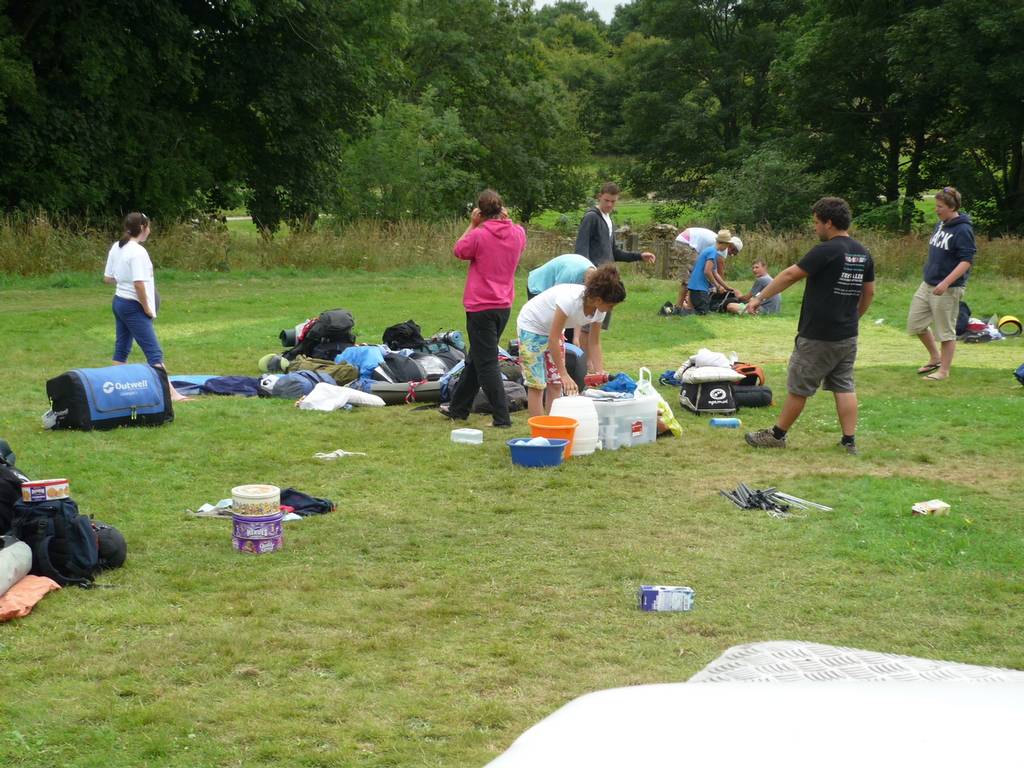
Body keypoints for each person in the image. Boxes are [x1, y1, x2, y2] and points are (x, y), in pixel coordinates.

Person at [744, 197, 875, 455]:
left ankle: (777, 435)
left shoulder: (825, 250)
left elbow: (791, 275)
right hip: (847, 335)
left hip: (818, 335)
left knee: (798, 387)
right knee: (844, 385)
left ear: (829, 222)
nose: (815, 228)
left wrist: (759, 297)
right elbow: (868, 293)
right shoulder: (863, 253)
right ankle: (849, 441)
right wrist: (853, 318)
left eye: (816, 222)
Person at [443, 189, 526, 428]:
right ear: (502, 209)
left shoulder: (478, 235)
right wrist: (505, 220)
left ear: (480, 211)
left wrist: (472, 224)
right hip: (503, 306)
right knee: (477, 357)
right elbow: (517, 241)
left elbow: (459, 250)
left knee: (487, 362)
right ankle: (459, 409)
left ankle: (502, 418)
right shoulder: (518, 233)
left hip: (480, 306)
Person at [516, 265, 626, 417]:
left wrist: (599, 371)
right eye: (611, 305)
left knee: (555, 383)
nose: (611, 309)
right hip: (532, 326)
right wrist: (564, 373)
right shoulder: (570, 300)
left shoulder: (599, 310)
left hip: (553, 332)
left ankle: (554, 426)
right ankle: (540, 433)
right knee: (537, 384)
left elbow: (594, 342)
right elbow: (553, 339)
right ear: (599, 299)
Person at [103, 212, 190, 402]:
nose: (149, 231)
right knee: (154, 352)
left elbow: (108, 278)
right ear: (142, 228)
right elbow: (139, 284)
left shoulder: (117, 247)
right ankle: (172, 394)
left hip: (119, 302)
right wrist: (147, 308)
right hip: (134, 306)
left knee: (122, 348)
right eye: (148, 227)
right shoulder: (137, 251)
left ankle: (116, 388)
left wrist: (123, 277)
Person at [572, 182, 654, 349]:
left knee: (596, 326)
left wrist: (639, 256)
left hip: (606, 280)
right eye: (606, 200)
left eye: (613, 201)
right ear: (599, 197)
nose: (609, 204)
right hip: (592, 280)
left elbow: (614, 253)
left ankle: (590, 366)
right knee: (585, 326)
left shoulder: (609, 220)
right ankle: (582, 366)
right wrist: (588, 277)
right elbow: (581, 250)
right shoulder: (591, 217)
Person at [906, 186, 976, 381]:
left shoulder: (963, 229)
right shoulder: (941, 224)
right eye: (936, 206)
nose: (936, 210)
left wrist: (946, 282)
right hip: (927, 284)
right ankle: (935, 357)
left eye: (940, 206)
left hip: (948, 288)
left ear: (952, 207)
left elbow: (966, 261)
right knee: (915, 324)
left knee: (945, 332)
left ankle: (943, 371)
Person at [673, 227, 741, 310]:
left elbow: (714, 271)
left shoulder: (715, 247)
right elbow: (716, 272)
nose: (732, 255)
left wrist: (725, 287)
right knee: (690, 277)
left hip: (686, 239)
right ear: (729, 245)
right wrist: (718, 287)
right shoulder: (720, 250)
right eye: (734, 252)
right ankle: (681, 307)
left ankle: (687, 305)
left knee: (693, 275)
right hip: (686, 242)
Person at [527, 253, 595, 300]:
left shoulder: (596, 272)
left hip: (553, 285)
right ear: (588, 279)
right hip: (539, 285)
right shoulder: (571, 273)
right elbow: (557, 296)